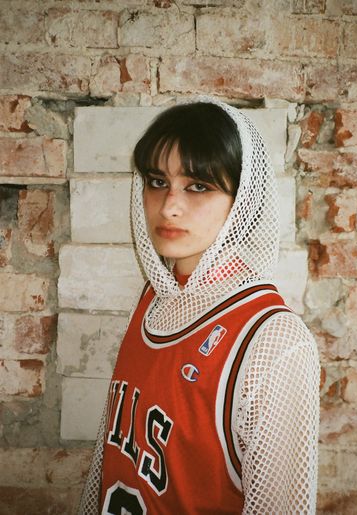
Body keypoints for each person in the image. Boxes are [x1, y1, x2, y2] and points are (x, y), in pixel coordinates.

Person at [79, 98, 320, 514]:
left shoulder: (273, 341)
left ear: (243, 197)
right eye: (157, 181)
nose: (169, 205)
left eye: (198, 186)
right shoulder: (157, 296)